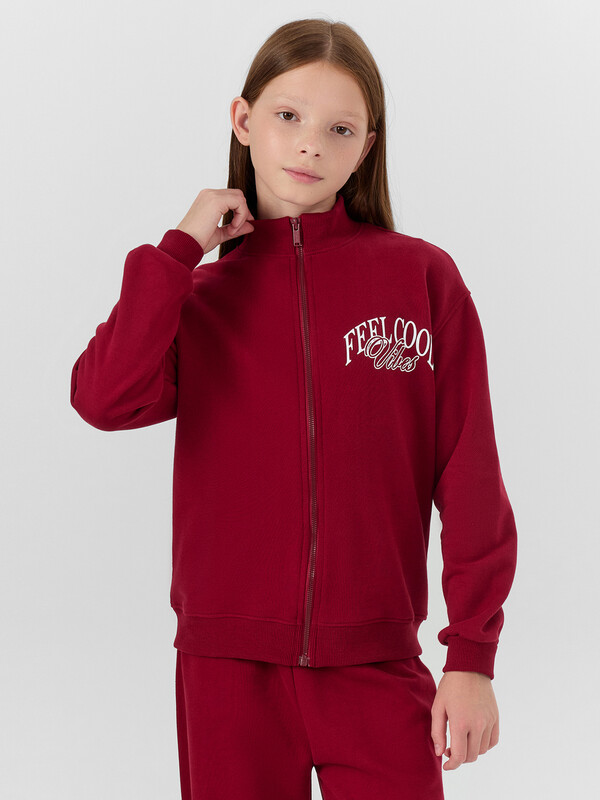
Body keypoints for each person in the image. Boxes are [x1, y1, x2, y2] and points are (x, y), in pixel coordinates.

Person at [70, 17, 518, 800]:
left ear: (366, 147)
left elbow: (469, 471)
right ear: (243, 121)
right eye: (288, 116)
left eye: (338, 129)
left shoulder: (421, 280)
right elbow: (103, 398)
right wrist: (179, 250)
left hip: (377, 660)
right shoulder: (199, 299)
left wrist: (471, 657)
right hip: (227, 667)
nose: (310, 145)